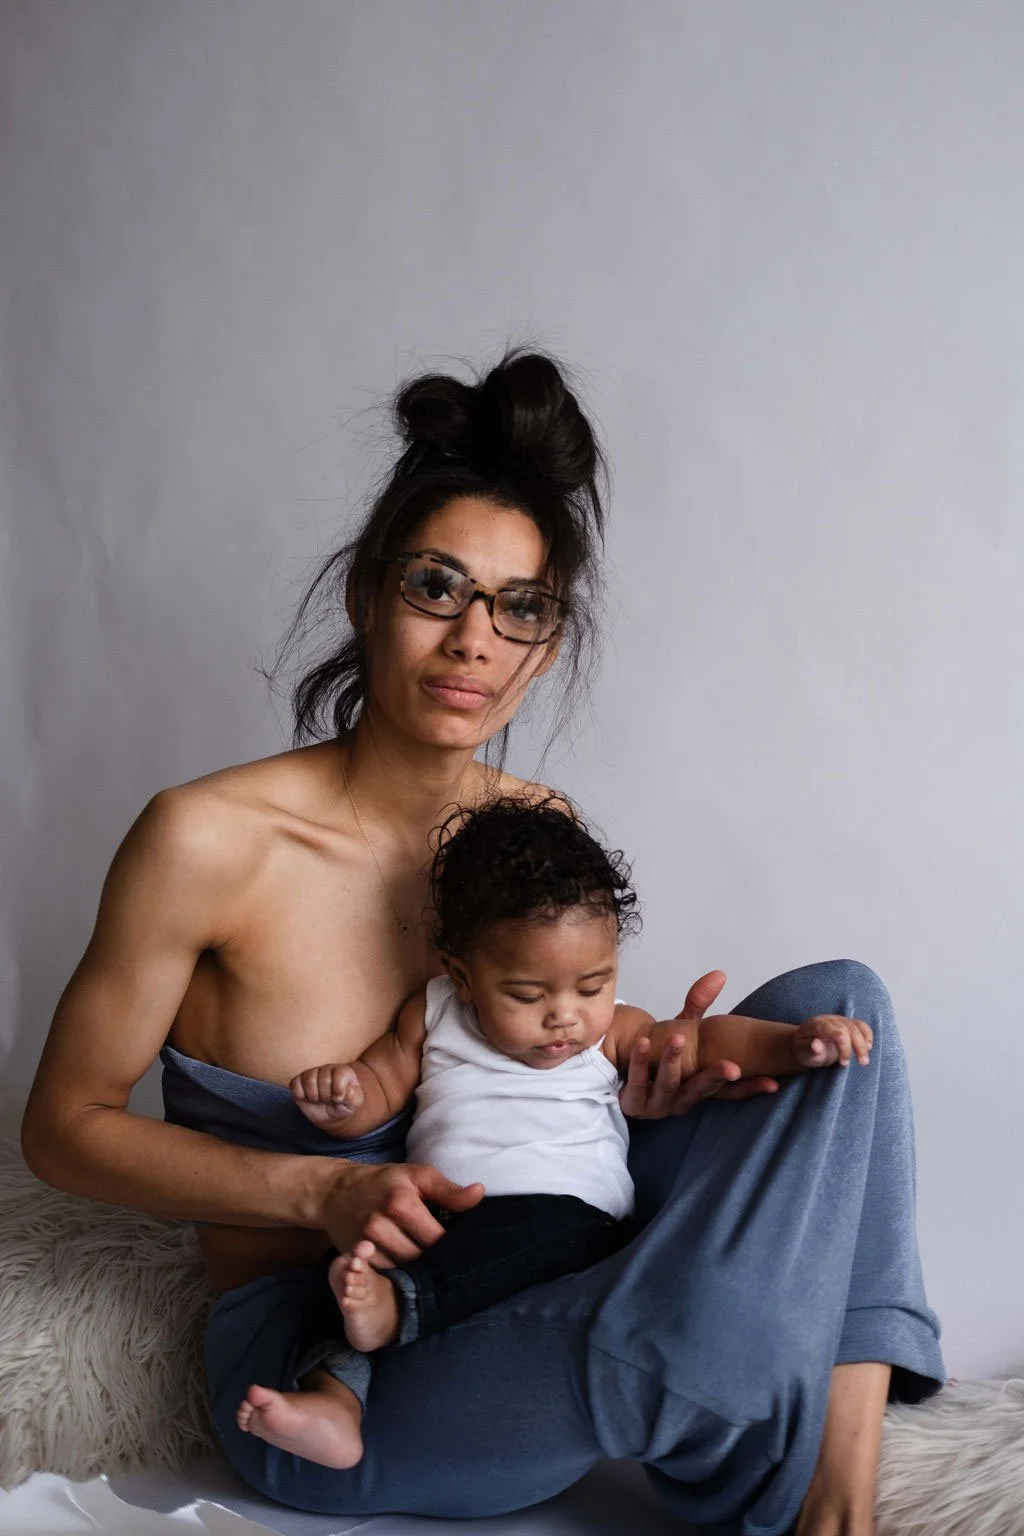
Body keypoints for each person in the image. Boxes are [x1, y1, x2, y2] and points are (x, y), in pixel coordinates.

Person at [21, 347, 944, 1536]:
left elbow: (552, 1080)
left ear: (544, 646)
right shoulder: (207, 840)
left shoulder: (534, 832)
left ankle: (837, 1499)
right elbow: (63, 1130)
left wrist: (650, 1074)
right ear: (366, 592)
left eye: (518, 607)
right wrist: (320, 1195)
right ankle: (725, 1380)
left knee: (840, 1006)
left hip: (543, 1259)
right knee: (702, 1326)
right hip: (344, 1362)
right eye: (435, 588)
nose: (472, 639)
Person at [235, 795, 876, 1471]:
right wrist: (341, 1097)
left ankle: (399, 1311)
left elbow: (707, 1040)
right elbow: (379, 1088)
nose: (565, 1017)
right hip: (446, 1216)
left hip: (571, 1221)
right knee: (342, 1271)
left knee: (468, 1260)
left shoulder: (614, 1034)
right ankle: (335, 1403)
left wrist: (795, 1043)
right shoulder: (432, 1014)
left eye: (592, 985)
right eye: (528, 995)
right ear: (462, 974)